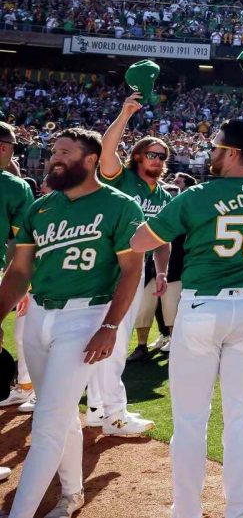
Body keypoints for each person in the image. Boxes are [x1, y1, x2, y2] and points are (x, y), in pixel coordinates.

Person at [129, 119, 243, 518]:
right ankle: (240, 510)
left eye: (216, 146)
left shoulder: (198, 194)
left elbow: (143, 240)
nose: (210, 153)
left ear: (232, 152)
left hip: (202, 307)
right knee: (241, 420)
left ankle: (186, 510)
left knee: (191, 420)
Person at [0, 127, 147, 518]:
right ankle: (72, 494)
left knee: (47, 422)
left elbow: (131, 270)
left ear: (91, 160)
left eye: (65, 152)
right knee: (59, 413)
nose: (55, 158)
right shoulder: (41, 208)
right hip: (39, 317)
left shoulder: (120, 205)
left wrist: (111, 326)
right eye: (54, 152)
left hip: (86, 317)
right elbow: (18, 272)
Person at [86, 92, 172, 435]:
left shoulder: (164, 194)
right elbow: (106, 152)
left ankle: (96, 409)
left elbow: (163, 241)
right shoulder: (121, 179)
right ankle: (114, 413)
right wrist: (124, 114)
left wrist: (162, 270)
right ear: (138, 156)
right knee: (114, 341)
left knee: (106, 340)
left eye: (163, 156)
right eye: (153, 154)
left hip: (134, 273)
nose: (159, 160)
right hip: (106, 269)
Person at [128, 171, 194, 361]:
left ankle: (175, 342)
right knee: (145, 309)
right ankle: (143, 345)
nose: (174, 189)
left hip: (174, 269)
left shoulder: (185, 216)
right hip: (151, 268)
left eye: (178, 185)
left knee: (171, 308)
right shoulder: (153, 217)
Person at [0, 121, 35, 415]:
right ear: (3, 147)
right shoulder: (15, 186)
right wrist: (20, 283)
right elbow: (23, 243)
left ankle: (23, 386)